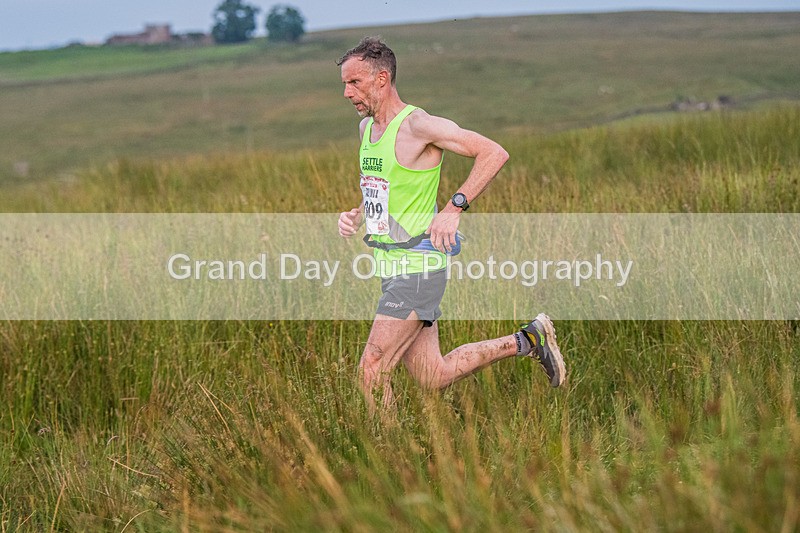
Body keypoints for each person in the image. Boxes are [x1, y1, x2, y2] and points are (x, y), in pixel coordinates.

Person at [336, 37, 566, 415]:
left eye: (354, 83)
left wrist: (454, 207)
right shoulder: (367, 130)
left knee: (372, 370)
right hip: (390, 265)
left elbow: (493, 152)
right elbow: (383, 184)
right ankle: (528, 339)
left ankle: (394, 463)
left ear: (382, 79)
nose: (346, 93)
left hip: (418, 266)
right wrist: (358, 212)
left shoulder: (418, 125)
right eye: (344, 84)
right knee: (432, 374)